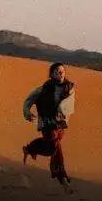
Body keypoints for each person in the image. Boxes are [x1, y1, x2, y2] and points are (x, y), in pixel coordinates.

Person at [20, 62, 76, 193]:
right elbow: (28, 100)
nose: (61, 73)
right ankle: (63, 179)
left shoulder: (69, 88)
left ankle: (30, 149)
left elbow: (68, 106)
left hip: (60, 124)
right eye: (57, 71)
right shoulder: (43, 89)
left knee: (53, 148)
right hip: (46, 122)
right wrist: (27, 113)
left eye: (62, 70)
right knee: (53, 146)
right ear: (51, 74)